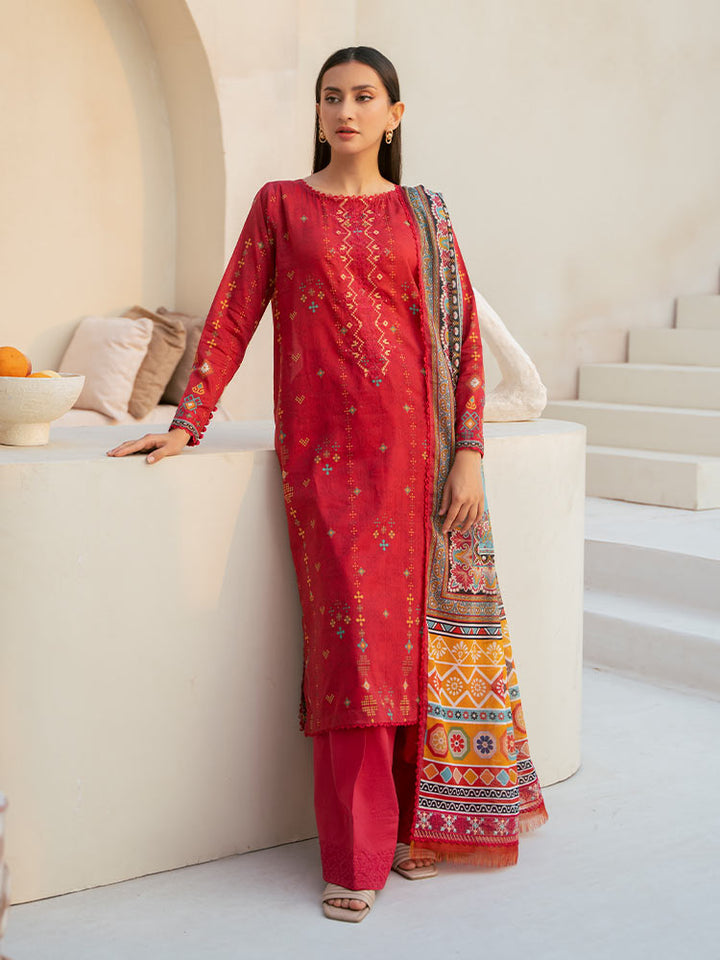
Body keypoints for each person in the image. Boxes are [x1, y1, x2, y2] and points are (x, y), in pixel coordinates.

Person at [107, 45, 549, 923]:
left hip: (422, 457)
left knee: (418, 646)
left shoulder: (425, 214)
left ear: (394, 115)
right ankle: (355, 856)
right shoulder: (281, 205)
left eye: (364, 96)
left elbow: (460, 334)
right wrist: (188, 421)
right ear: (318, 112)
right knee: (354, 649)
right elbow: (234, 312)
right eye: (332, 96)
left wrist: (470, 450)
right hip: (325, 462)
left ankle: (416, 829)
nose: (346, 110)